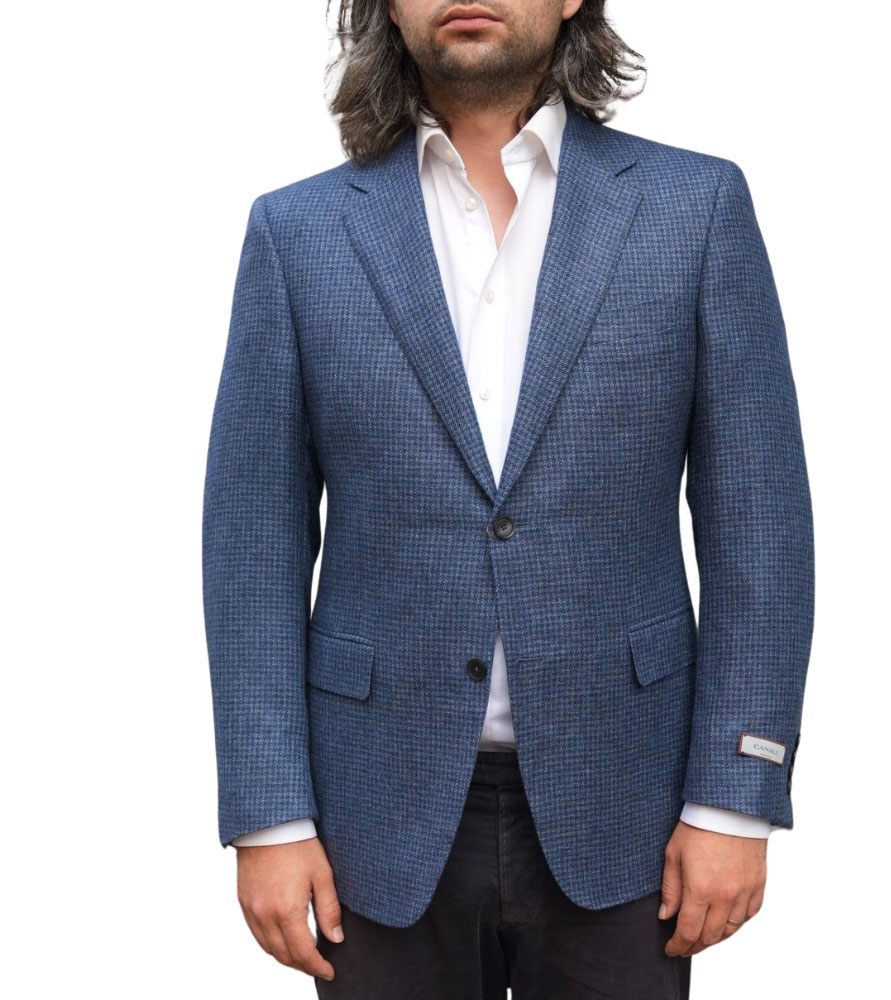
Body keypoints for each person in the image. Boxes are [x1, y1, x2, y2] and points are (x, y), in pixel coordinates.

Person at [201, 1, 815, 996]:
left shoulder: (695, 209)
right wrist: (268, 814)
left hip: (634, 805)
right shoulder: (297, 233)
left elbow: (761, 526)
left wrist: (735, 797)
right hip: (371, 814)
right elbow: (252, 545)